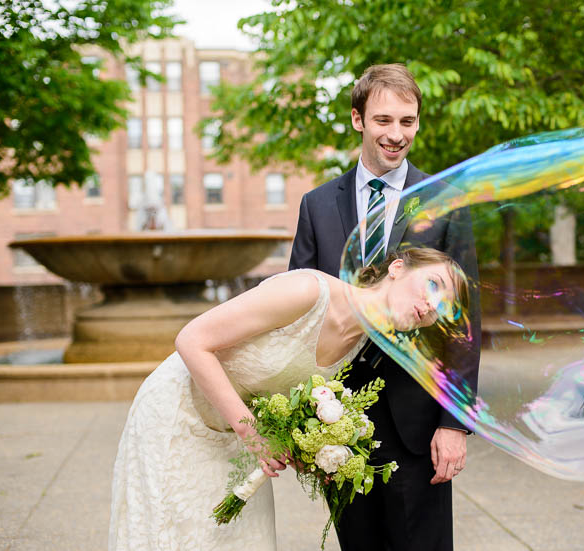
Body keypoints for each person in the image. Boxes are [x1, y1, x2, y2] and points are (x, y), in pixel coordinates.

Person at [108, 248, 467, 551]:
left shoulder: (359, 343)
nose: (430, 305)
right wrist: (252, 433)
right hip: (178, 416)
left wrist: (310, 450)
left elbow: (279, 393)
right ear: (397, 268)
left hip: (234, 435)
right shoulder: (307, 291)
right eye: (433, 285)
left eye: (441, 307)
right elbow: (191, 339)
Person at [289, 63, 481, 551]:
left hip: (417, 422)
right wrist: (298, 417)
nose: (396, 135)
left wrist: (453, 423)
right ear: (358, 119)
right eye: (383, 120)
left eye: (407, 121)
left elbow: (465, 324)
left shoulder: (446, 202)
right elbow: (298, 313)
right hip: (337, 422)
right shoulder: (316, 205)